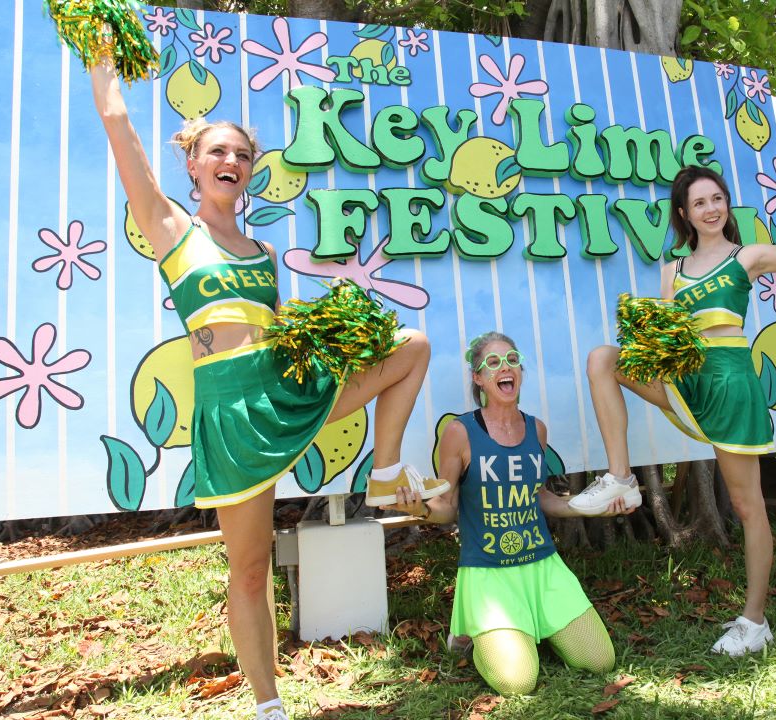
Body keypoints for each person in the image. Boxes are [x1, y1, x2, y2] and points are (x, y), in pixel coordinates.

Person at [89, 46, 448, 720]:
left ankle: (386, 467)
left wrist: (320, 334)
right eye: (218, 153)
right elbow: (119, 127)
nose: (232, 163)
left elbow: (278, 332)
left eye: (243, 156)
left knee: (411, 346)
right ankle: (268, 705)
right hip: (231, 415)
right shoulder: (171, 229)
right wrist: (101, 58)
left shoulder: (261, 253)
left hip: (284, 391)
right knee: (249, 571)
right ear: (193, 166)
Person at [571, 165, 776, 656]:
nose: (712, 208)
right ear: (684, 214)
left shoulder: (748, 257)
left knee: (748, 507)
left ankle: (755, 620)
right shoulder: (671, 272)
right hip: (685, 378)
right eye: (700, 203)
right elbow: (665, 340)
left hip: (729, 383)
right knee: (602, 358)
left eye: (717, 198)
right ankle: (620, 477)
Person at [392, 332, 630, 695]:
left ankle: (534, 627)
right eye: (493, 362)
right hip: (489, 575)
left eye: (512, 360)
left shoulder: (536, 429)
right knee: (517, 683)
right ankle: (477, 635)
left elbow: (542, 497)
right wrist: (421, 509)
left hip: (543, 568)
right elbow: (447, 507)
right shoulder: (461, 432)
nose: (505, 368)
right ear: (478, 378)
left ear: (520, 371)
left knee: (600, 661)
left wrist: (587, 506)